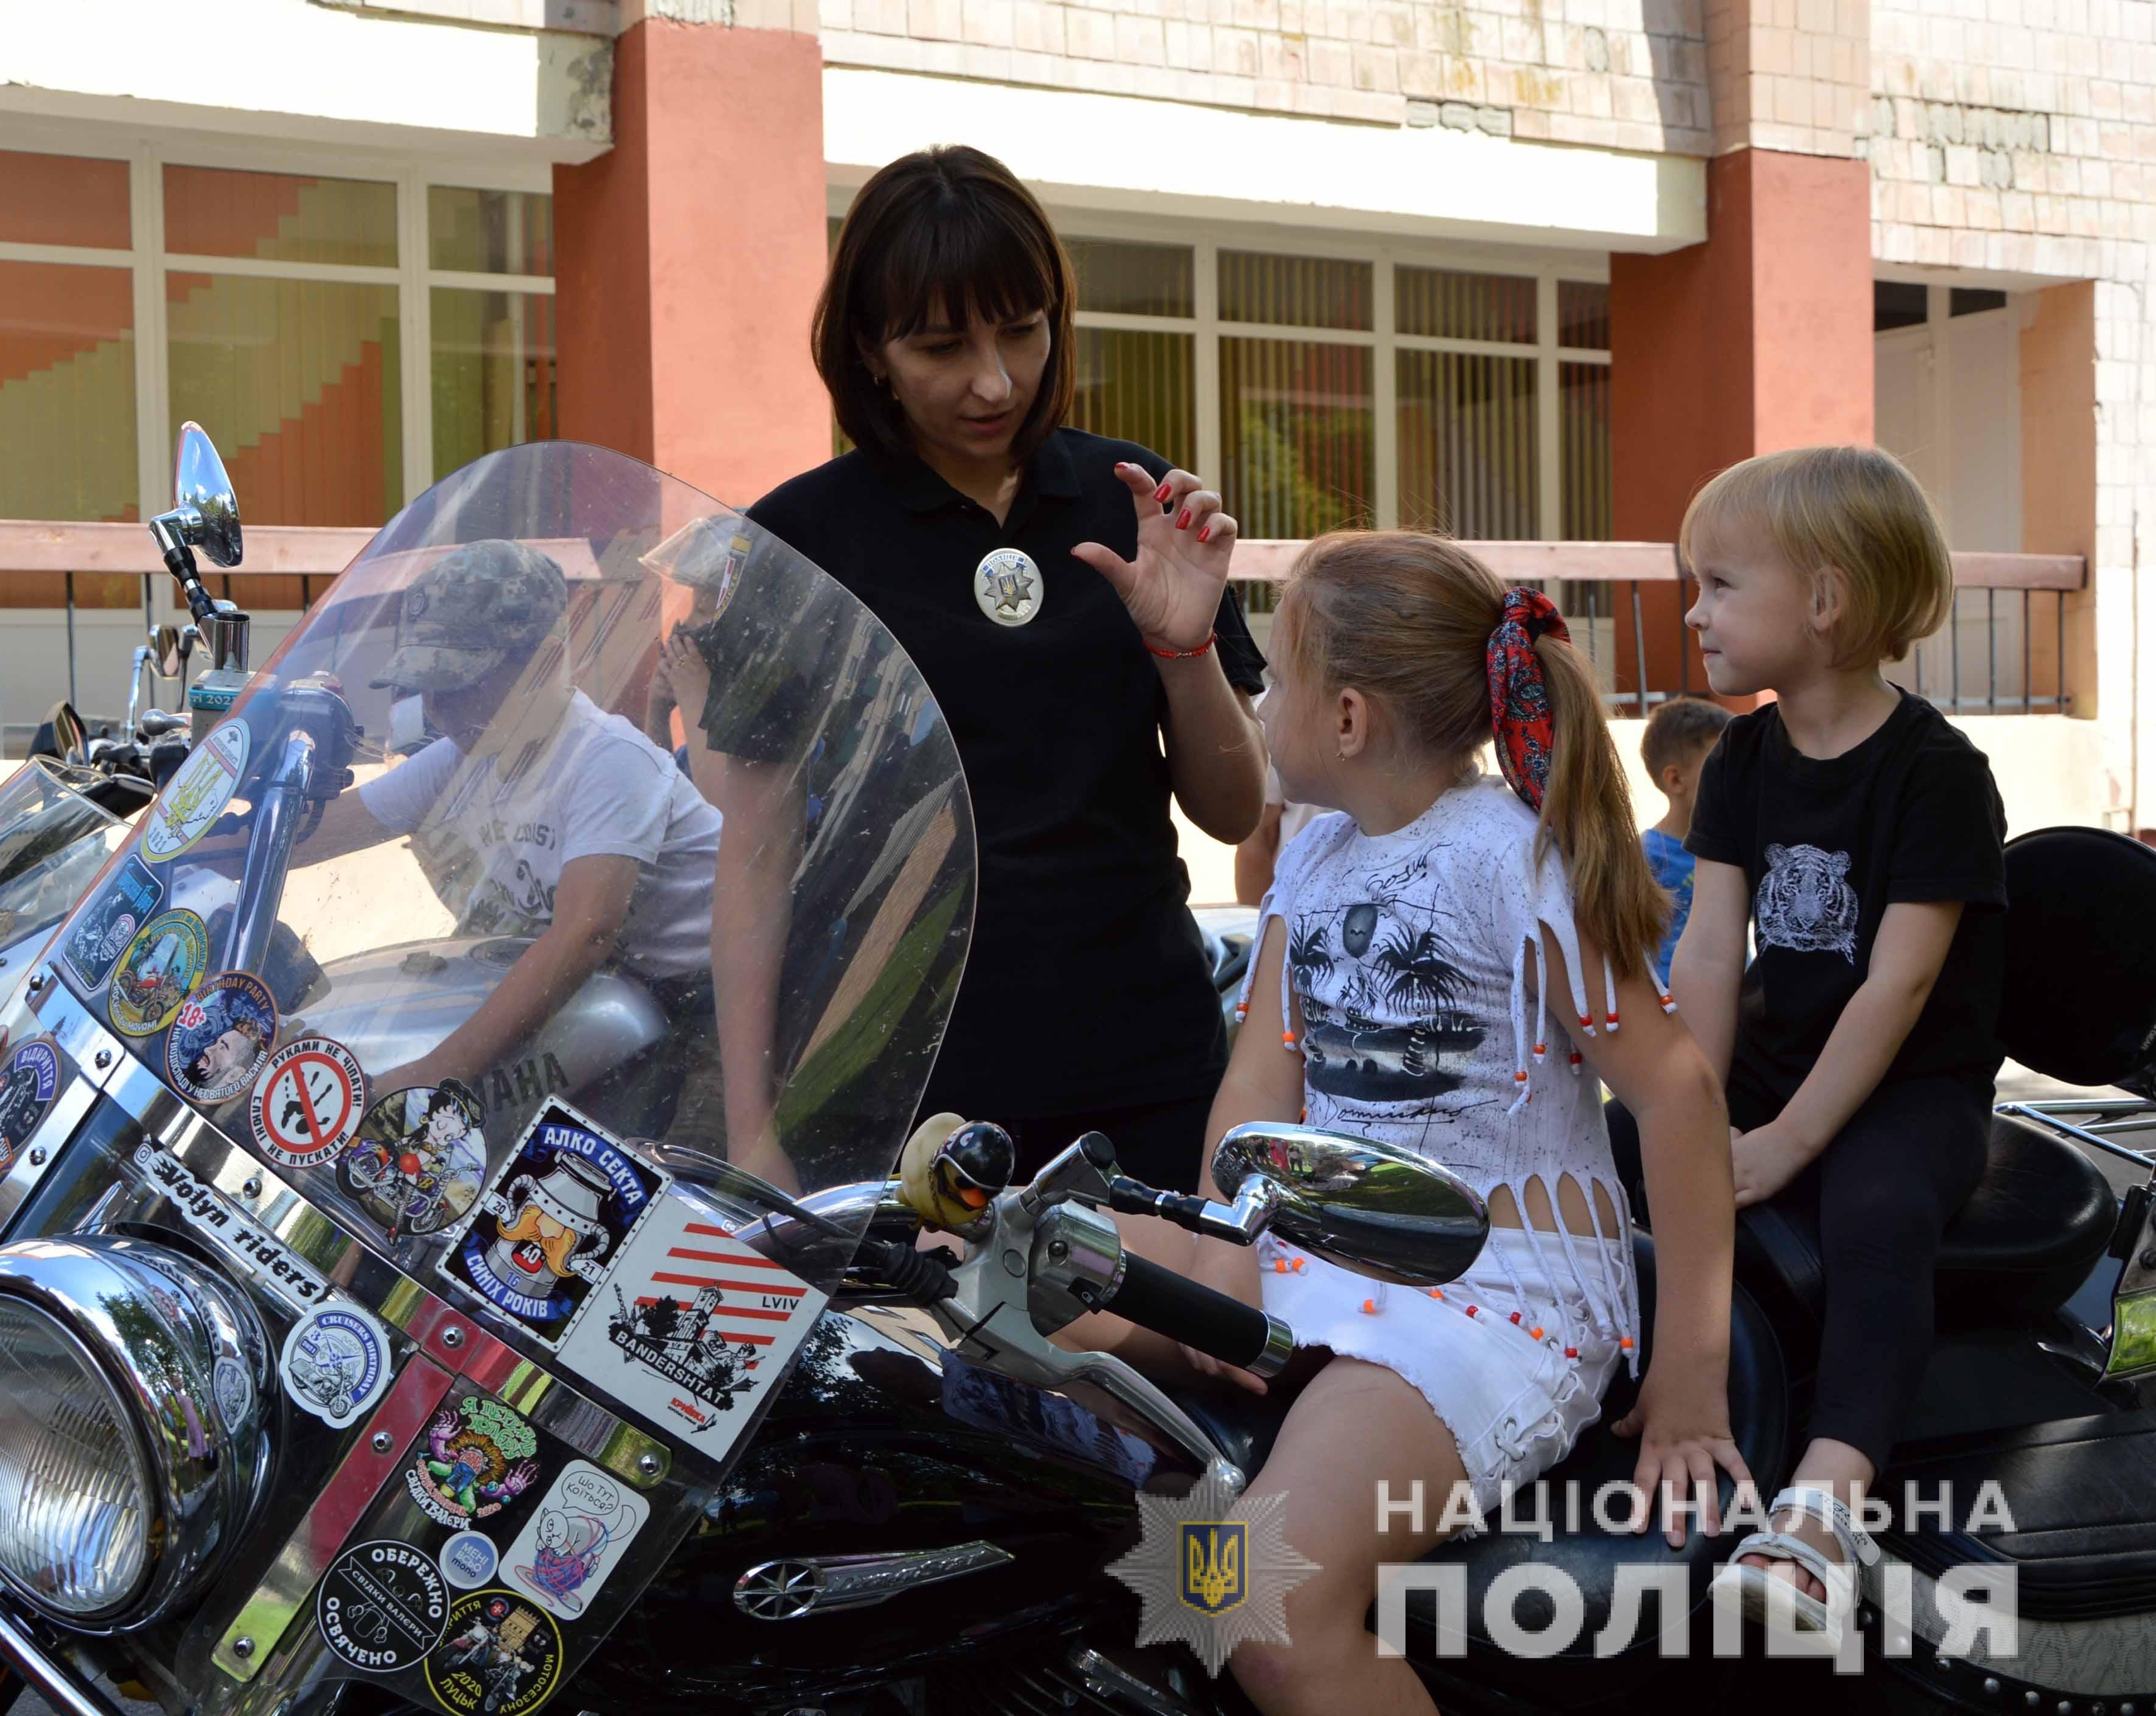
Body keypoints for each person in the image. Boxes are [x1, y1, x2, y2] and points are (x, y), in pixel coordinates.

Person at [1151, 533, 1746, 1716]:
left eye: (1278, 677)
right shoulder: (1315, 849)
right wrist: (1223, 1239)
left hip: (1485, 1298)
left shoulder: (1513, 864)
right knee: (1019, 1285)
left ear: (1350, 718)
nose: (1260, 701)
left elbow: (1678, 1092)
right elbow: (1259, 1087)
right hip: (1317, 1241)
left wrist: (1690, 1375)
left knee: (1255, 1602)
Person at [686, 143, 1268, 1196]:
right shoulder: (797, 545)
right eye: (941, 346)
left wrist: (1186, 653)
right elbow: (756, 859)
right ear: (870, 351)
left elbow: (1232, 814)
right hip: (894, 1094)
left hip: (1141, 1070)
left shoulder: (1134, 503)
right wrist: (752, 1128)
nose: (993, 381)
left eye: (1022, 331)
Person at [1660, 445, 2006, 1640]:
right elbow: (1711, 951)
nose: (1693, 612)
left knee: (1878, 1213)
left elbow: (1899, 988)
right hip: (1778, 1054)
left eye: (1718, 584)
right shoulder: (1742, 756)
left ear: (1822, 599)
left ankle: (1823, 1509)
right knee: (1619, 1153)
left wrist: (1789, 1141)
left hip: (1911, 1083)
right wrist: (1691, 1105)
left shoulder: (1937, 774)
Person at [301, 540, 725, 1105]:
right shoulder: (466, 755)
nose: (437, 710)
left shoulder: (608, 760)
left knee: (683, 1152)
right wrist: (204, 835)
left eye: (458, 683)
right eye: (425, 686)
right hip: (610, 987)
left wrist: (434, 1074)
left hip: (709, 1004)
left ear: (545, 661)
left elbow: (584, 935)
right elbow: (312, 834)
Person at [1638, 696, 1732, 985]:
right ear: (1676, 780)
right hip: (1671, 1001)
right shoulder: (1645, 858)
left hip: (1736, 996)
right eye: (1723, 767)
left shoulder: (1735, 848)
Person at [1235, 683, 1324, 906]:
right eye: (1275, 678)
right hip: (1294, 906)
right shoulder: (1280, 706)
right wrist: (1258, 919)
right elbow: (1258, 833)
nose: (1263, 709)